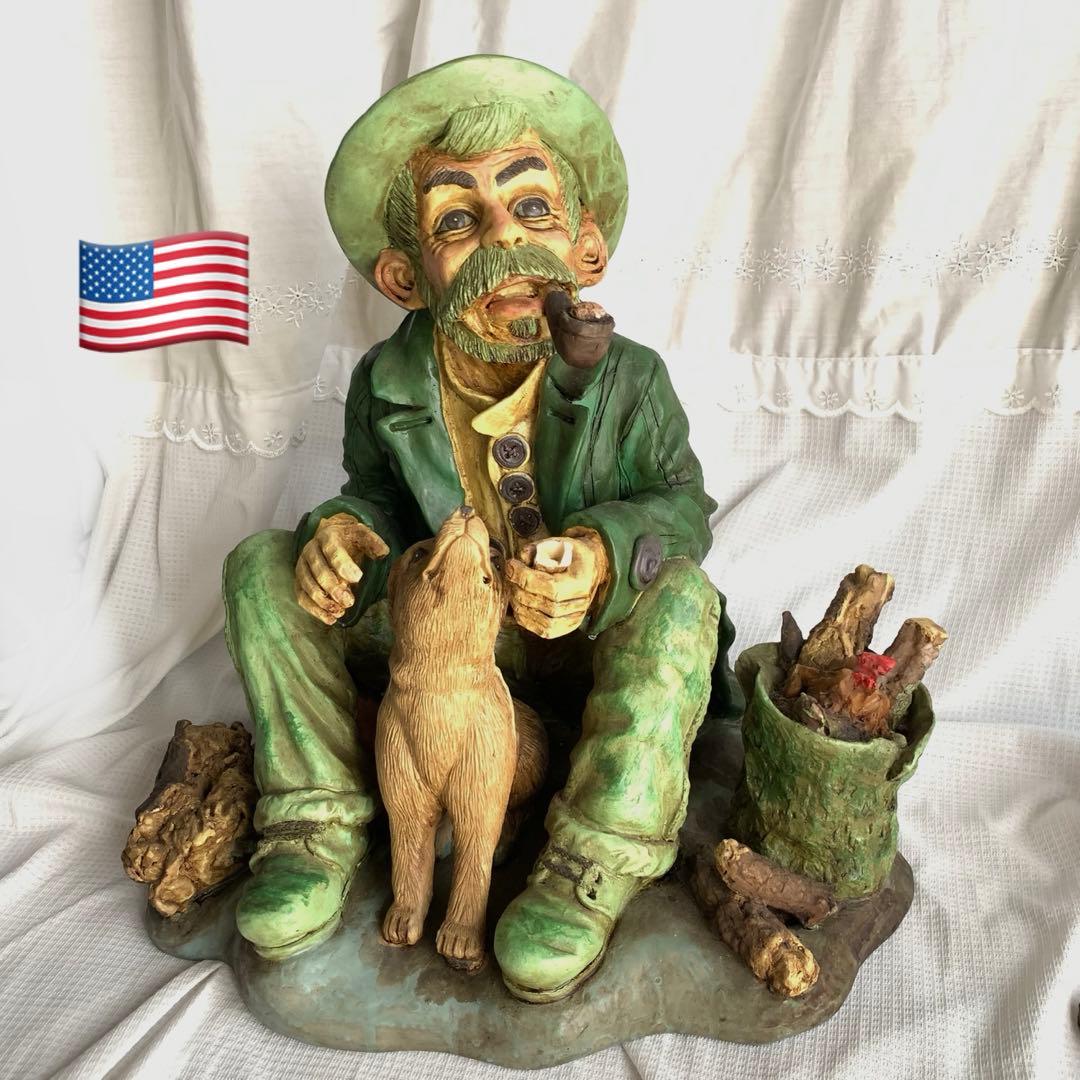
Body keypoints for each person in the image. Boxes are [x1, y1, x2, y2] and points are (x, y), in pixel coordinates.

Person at [223, 54, 736, 1003]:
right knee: (261, 566)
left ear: (586, 249)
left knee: (682, 598)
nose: (506, 238)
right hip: (442, 645)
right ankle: (314, 822)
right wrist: (343, 531)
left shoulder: (631, 380)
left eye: (532, 207)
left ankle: (596, 854)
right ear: (404, 275)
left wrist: (602, 556)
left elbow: (683, 509)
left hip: (579, 648)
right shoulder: (387, 383)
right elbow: (375, 497)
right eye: (458, 221)